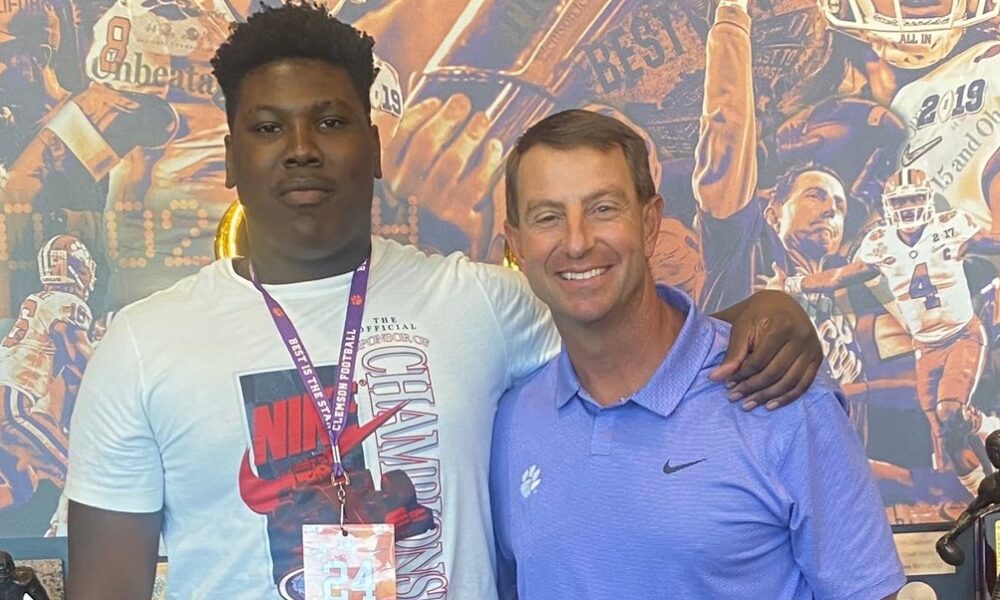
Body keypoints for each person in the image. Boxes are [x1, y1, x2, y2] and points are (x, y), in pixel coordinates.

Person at [64, 3, 823, 599]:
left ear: (375, 147)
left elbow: (635, 349)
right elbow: (104, 588)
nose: (301, 148)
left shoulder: (480, 302)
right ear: (231, 156)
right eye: (267, 127)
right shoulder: (143, 347)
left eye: (331, 121)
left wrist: (758, 316)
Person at [491, 108, 905, 598]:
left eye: (603, 209)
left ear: (650, 223)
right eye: (548, 217)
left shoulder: (780, 392)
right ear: (517, 244)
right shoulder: (510, 423)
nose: (577, 242)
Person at [788, 167, 1000, 494]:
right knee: (950, 442)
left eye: (914, 199)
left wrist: (979, 244)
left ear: (927, 200)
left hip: (961, 336)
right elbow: (837, 278)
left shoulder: (951, 227)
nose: (908, 208)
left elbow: (993, 240)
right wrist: (796, 284)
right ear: (889, 205)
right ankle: (982, 496)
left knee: (949, 411)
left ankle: (987, 424)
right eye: (901, 201)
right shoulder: (880, 243)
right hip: (925, 348)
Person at [0, 234, 96, 514]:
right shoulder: (66, 302)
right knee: (80, 472)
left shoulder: (39, 300)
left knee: (22, 486)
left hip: (8, 400)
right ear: (74, 269)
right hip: (12, 406)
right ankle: (70, 533)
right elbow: (80, 358)